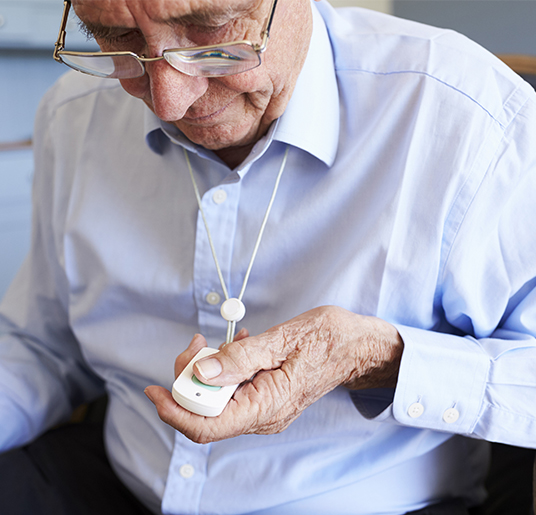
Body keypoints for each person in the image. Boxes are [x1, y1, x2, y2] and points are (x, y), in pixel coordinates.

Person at [0, 0, 535, 513]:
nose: (169, 101)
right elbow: (39, 345)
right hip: (116, 485)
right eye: (119, 39)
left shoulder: (472, 120)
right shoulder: (74, 115)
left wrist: (377, 357)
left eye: (210, 30)